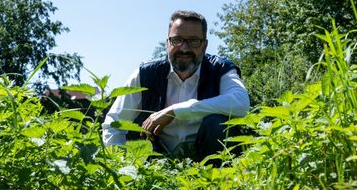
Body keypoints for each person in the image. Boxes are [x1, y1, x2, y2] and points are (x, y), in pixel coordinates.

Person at [102, 10, 250, 162]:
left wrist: (175, 111)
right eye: (177, 40)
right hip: (157, 159)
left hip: (208, 160)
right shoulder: (145, 73)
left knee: (217, 123)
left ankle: (220, 181)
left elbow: (241, 102)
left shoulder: (220, 68)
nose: (184, 48)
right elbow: (114, 123)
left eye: (193, 41)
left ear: (205, 45)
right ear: (167, 43)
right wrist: (119, 165)